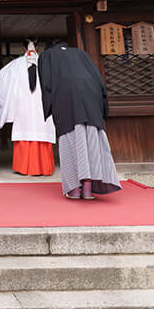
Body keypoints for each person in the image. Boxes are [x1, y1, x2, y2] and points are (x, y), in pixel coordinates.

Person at [39, 40, 120, 199]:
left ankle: (75, 189)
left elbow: (46, 83)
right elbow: (99, 79)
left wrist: (48, 107)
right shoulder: (82, 54)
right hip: (92, 95)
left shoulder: (47, 55)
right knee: (93, 140)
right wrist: (103, 107)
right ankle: (89, 187)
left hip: (65, 98)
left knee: (70, 139)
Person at [0, 39, 56, 176]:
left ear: (23, 48)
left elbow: (1, 82)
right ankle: (43, 168)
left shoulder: (14, 65)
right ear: (38, 47)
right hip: (42, 107)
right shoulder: (48, 64)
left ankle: (25, 168)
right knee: (42, 132)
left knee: (24, 132)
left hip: (22, 107)